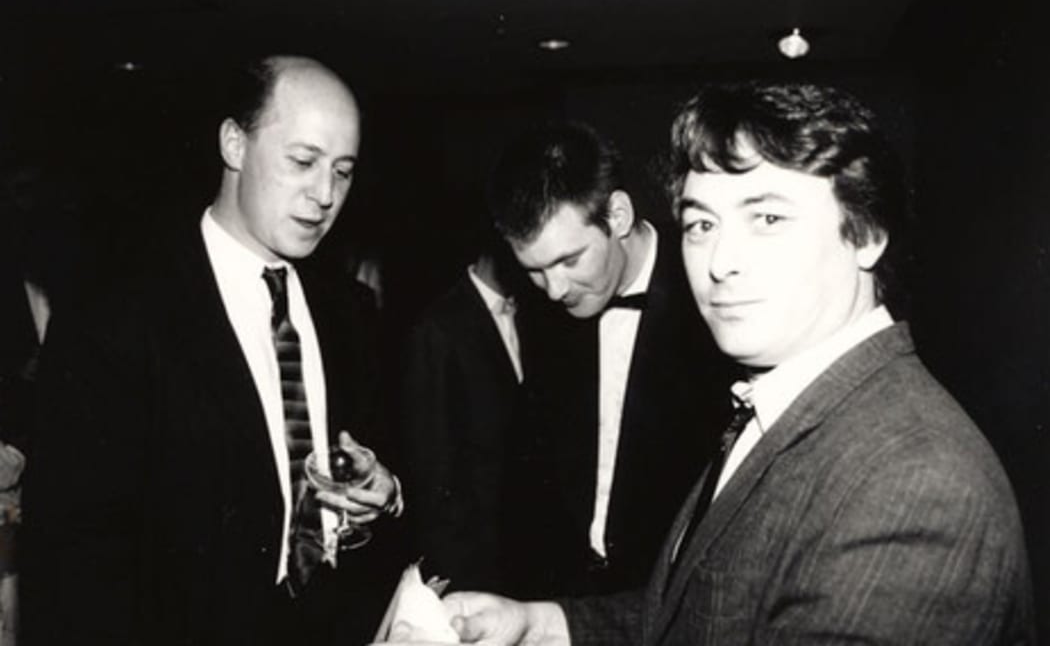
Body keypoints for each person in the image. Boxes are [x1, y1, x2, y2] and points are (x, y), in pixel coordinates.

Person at [378, 82, 1034, 644]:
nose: (720, 262)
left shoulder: (915, 484)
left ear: (865, 234)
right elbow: (695, 616)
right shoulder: (775, 407)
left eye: (768, 217)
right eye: (701, 224)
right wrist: (543, 625)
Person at [22, 55, 404, 646]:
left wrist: (386, 495)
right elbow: (73, 561)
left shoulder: (348, 309)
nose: (325, 194)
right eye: (302, 161)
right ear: (234, 144)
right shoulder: (118, 312)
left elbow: (377, 475)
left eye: (344, 171)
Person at [485, 122, 731, 596]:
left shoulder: (714, 305)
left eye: (569, 260)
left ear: (617, 215)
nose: (554, 290)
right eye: (533, 270)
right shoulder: (547, 312)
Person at [395, 229, 533, 593]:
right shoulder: (438, 328)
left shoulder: (538, 313)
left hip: (526, 559)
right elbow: (431, 471)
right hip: (473, 566)